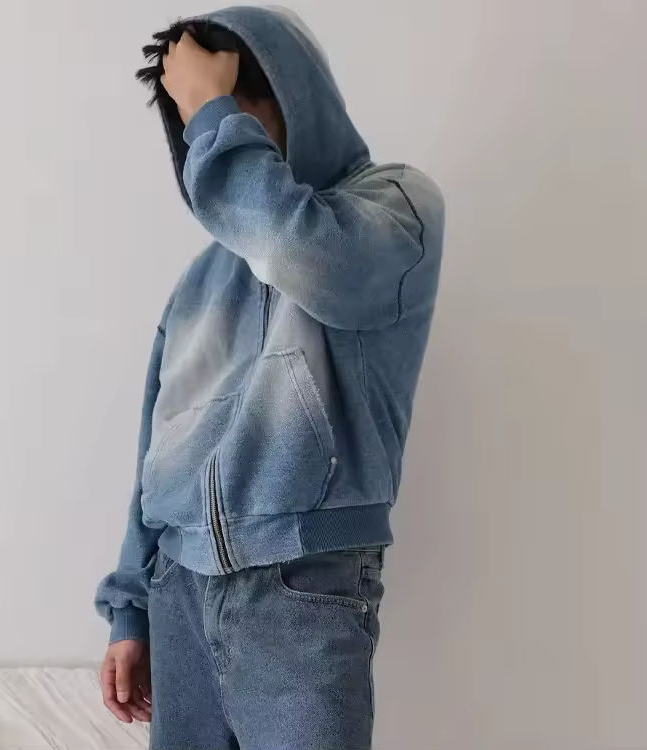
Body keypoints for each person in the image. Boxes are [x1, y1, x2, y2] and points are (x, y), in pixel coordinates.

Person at [94, 5, 444, 748]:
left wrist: (210, 105)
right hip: (178, 590)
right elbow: (157, 450)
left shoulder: (394, 208)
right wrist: (131, 606)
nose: (212, 137)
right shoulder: (198, 283)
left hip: (301, 583)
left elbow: (305, 255)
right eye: (193, 122)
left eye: (223, 109)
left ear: (292, 96)